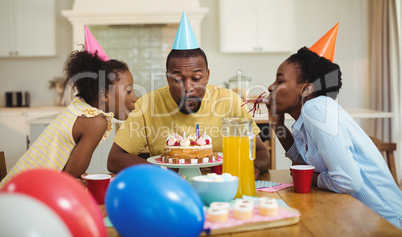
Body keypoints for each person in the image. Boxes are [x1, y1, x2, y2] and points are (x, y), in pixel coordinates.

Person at [107, 12, 270, 178]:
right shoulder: (147, 105)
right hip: (171, 187)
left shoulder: (229, 101)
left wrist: (252, 168)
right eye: (177, 79)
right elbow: (114, 159)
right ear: (167, 78)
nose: (188, 87)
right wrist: (163, 172)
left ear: (207, 76)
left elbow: (261, 153)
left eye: (196, 78)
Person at [266, 46, 402, 229]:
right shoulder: (308, 117)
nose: (270, 87)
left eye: (279, 80)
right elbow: (303, 165)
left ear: (306, 89)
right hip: (357, 217)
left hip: (386, 223)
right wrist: (277, 125)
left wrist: (314, 179)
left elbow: (348, 181)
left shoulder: (316, 109)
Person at [0, 27, 137, 188]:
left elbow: (69, 175)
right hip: (23, 198)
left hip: (14, 189)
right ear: (104, 95)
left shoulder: (79, 108)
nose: (134, 97)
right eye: (128, 91)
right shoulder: (95, 122)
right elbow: (70, 180)